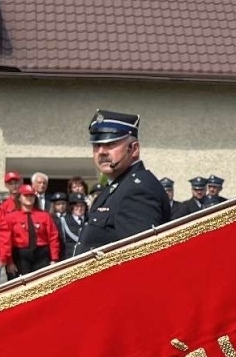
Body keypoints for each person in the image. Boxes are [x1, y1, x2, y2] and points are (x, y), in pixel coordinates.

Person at [73, 110, 171, 256]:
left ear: (134, 149)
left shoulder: (138, 191)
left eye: (110, 144)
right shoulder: (117, 187)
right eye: (96, 145)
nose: (101, 152)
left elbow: (138, 259)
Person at [2, 185, 60, 276]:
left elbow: (53, 237)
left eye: (31, 195)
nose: (29, 198)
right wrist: (9, 262)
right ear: (19, 198)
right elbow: (6, 240)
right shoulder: (10, 217)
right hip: (21, 255)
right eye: (26, 195)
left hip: (41, 255)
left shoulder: (45, 216)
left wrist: (54, 259)